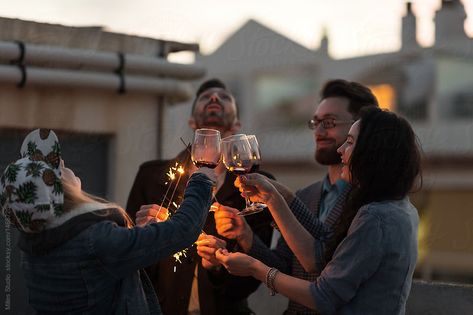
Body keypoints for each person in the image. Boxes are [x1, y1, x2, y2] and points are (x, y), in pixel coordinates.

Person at [216, 106, 421, 314]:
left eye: (349, 142)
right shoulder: (401, 208)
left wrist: (253, 267)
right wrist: (280, 197)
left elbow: (323, 296)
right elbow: (324, 251)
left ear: (372, 153)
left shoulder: (375, 217)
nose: (341, 149)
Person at [0, 128, 215, 314]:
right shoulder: (95, 240)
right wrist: (201, 175)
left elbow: (103, 264)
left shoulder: (35, 242)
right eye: (59, 167)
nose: (65, 164)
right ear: (58, 189)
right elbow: (184, 229)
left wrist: (137, 233)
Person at [126, 78, 274, 315]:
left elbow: (255, 279)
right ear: (192, 121)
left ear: (236, 124)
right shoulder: (152, 176)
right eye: (205, 97)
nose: (214, 98)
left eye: (224, 97)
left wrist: (218, 268)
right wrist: (146, 236)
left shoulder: (256, 187)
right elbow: (131, 263)